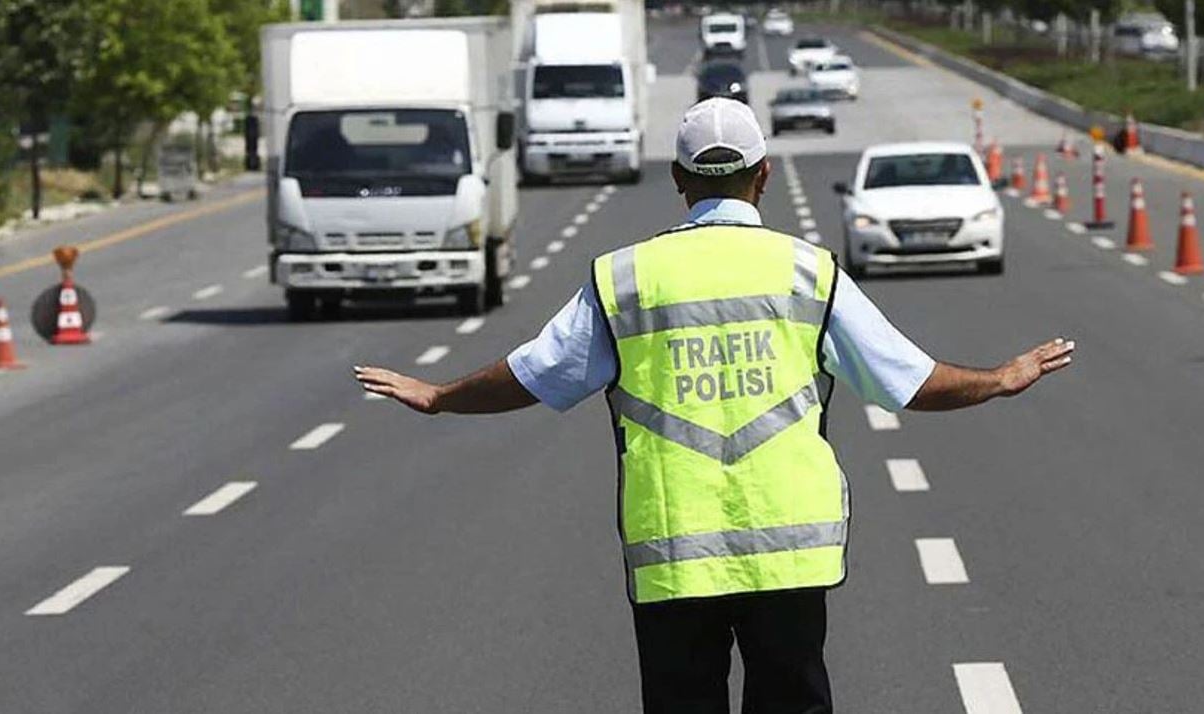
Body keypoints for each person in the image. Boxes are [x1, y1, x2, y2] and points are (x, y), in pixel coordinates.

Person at [354, 97, 1075, 714]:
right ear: (762, 176)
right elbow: (907, 382)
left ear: (678, 180)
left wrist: (439, 396)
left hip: (673, 550)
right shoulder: (806, 271)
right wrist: (999, 377)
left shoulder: (626, 279)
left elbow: (535, 374)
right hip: (791, 552)